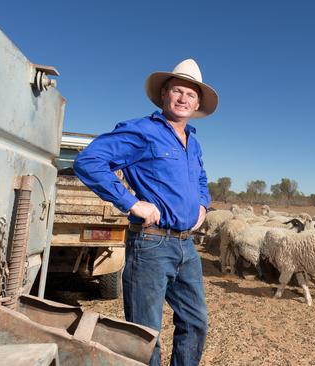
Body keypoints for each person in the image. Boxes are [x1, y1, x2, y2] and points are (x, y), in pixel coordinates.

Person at [74, 58, 218, 366]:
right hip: (151, 245)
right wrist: (131, 202)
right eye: (177, 91)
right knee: (144, 333)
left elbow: (201, 178)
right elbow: (89, 161)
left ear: (197, 103)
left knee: (196, 322)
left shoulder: (193, 142)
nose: (183, 99)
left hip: (186, 247)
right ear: (164, 94)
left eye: (191, 95)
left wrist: (203, 205)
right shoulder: (142, 131)